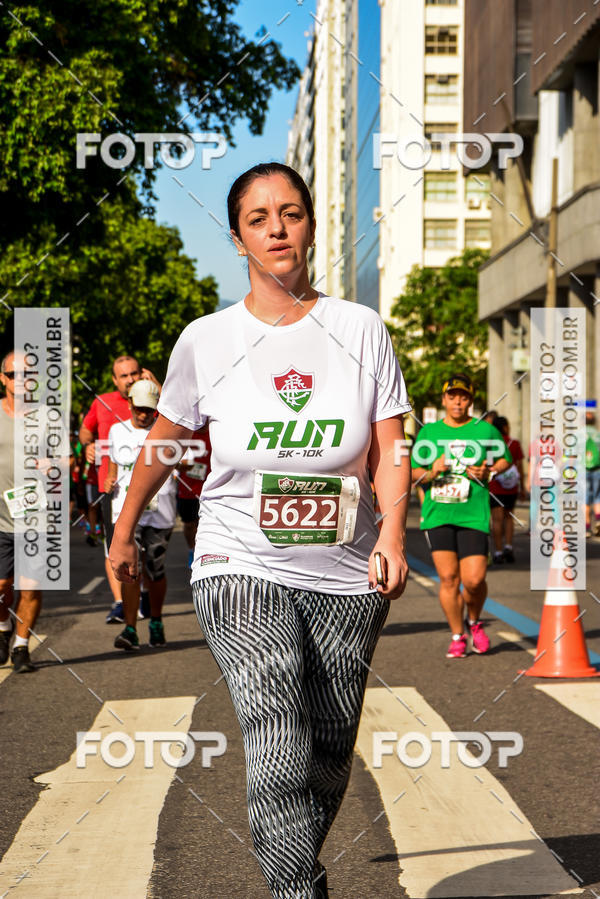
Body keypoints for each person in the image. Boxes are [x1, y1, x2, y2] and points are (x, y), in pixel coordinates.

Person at [108, 162, 411, 899]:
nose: (278, 227)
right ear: (239, 236)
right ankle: (296, 891)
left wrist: (392, 533)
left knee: (328, 751)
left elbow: (392, 447)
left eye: (292, 213)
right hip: (237, 557)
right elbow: (165, 442)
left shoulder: (359, 327)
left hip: (346, 572)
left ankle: (295, 859)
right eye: (259, 217)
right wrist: (122, 532)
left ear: (310, 225)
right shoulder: (207, 340)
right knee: (276, 726)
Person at [411, 374, 511, 659]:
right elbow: (412, 471)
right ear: (444, 400)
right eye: (452, 396)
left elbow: (505, 458)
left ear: (471, 400)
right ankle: (458, 635)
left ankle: (475, 621)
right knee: (448, 578)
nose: (458, 401)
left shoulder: (484, 431)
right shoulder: (429, 433)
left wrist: (488, 472)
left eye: (464, 396)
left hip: (473, 514)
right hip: (439, 512)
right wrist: (431, 472)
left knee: (475, 579)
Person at [0, 353, 71, 673]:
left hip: (36, 515)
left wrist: (53, 464)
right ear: (3, 378)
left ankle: (21, 646)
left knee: (29, 586)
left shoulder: (48, 417)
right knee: (2, 586)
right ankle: (3, 628)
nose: (21, 378)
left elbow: (68, 460)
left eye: (28, 373)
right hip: (0, 514)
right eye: (14, 373)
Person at [79, 355, 160, 623]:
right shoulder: (102, 402)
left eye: (134, 373)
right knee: (115, 548)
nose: (130, 379)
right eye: (123, 376)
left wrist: (158, 387)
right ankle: (119, 602)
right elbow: (85, 432)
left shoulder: (155, 400)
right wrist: (88, 446)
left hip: (153, 491)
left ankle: (144, 593)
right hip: (112, 489)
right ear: (114, 380)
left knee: (148, 552)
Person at [105, 380, 176, 650]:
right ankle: (131, 628)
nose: (144, 414)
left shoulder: (166, 431)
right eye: (139, 408)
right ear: (130, 404)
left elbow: (185, 460)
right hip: (126, 511)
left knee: (154, 569)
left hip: (160, 511)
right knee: (129, 570)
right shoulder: (116, 431)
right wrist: (110, 478)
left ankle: (156, 621)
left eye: (150, 409)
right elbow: (113, 465)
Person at [489, 416, 525, 563]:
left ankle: (497, 552)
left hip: (494, 486)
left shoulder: (490, 443)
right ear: (505, 427)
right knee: (509, 517)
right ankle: (508, 547)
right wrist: (522, 486)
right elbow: (519, 466)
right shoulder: (514, 443)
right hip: (511, 487)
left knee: (497, 520)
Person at [176, 425, 211, 567]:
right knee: (190, 524)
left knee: (205, 524)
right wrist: (181, 466)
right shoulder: (187, 434)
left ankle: (205, 553)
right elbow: (173, 461)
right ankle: (192, 549)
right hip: (187, 489)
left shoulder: (215, 432)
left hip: (209, 489)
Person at [585, 411, 600, 537]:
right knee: (597, 497)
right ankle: (598, 521)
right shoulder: (598, 435)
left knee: (585, 499)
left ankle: (587, 528)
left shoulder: (578, 435)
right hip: (597, 469)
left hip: (583, 470)